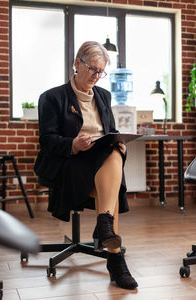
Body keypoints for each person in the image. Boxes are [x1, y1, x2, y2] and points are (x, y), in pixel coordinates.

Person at [34, 41, 138, 290]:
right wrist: (73, 144)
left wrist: (121, 143)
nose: (97, 76)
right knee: (110, 191)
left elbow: (110, 130)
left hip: (102, 161)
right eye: (93, 69)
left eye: (101, 72)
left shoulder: (103, 95)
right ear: (77, 63)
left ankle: (105, 227)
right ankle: (115, 258)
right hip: (70, 162)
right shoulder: (52, 97)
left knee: (114, 152)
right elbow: (47, 141)